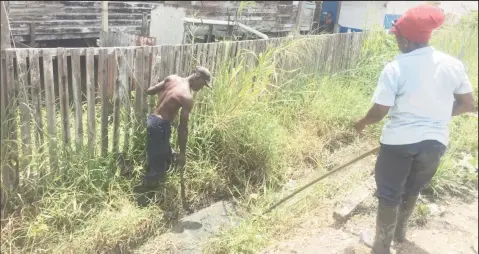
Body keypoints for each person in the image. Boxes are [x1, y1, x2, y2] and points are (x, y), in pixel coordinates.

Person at [353, 5, 475, 254]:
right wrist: (436, 114)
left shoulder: (396, 67)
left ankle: (381, 247)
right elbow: (468, 104)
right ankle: (399, 235)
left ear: (407, 40)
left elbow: (380, 111)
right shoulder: (453, 65)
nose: (396, 41)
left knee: (389, 194)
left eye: (398, 37)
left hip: (399, 143)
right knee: (412, 188)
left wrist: (362, 122)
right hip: (435, 143)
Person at [142, 66, 212, 188]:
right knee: (158, 168)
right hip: (161, 127)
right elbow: (183, 128)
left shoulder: (172, 78)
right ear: (197, 77)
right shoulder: (187, 97)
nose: (202, 88)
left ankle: (159, 176)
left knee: (164, 155)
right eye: (203, 84)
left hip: (152, 120)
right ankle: (146, 194)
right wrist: (183, 153)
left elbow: (150, 90)